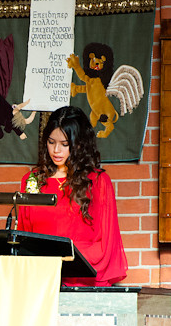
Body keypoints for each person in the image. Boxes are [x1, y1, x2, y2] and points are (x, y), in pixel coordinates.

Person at [18, 105, 128, 286]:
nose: (56, 151)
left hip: (84, 276)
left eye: (65, 144)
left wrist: (68, 261)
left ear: (79, 144)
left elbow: (106, 242)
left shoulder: (98, 181)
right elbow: (24, 235)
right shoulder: (32, 181)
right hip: (42, 279)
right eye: (51, 142)